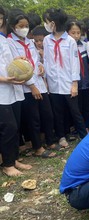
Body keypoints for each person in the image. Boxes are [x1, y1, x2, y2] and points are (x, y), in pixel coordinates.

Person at [7, 10, 58, 158]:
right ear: (12, 26)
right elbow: (16, 67)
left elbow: (34, 60)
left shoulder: (29, 42)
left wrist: (41, 67)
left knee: (47, 114)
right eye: (20, 25)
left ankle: (49, 141)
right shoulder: (9, 42)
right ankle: (38, 148)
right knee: (33, 118)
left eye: (26, 25)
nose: (24, 28)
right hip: (26, 87)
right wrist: (31, 85)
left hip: (39, 83)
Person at [43, 8, 87, 148]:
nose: (46, 24)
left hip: (68, 82)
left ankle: (83, 135)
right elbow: (46, 60)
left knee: (75, 111)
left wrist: (74, 83)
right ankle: (61, 136)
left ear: (54, 23)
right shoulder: (46, 40)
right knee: (58, 111)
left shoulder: (69, 41)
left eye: (48, 22)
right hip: (54, 82)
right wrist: (46, 81)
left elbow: (74, 63)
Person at [0, 7, 32, 176]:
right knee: (8, 127)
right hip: (2, 91)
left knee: (15, 126)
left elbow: (5, 62)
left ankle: (13, 158)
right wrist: (4, 79)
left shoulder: (3, 39)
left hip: (12, 88)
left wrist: (17, 61)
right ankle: (7, 165)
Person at [67, 20, 89, 131]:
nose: (76, 35)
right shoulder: (66, 46)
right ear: (67, 32)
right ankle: (78, 127)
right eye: (73, 33)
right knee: (77, 107)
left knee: (87, 105)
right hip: (74, 82)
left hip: (86, 80)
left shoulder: (85, 45)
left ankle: (86, 125)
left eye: (78, 33)